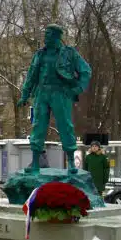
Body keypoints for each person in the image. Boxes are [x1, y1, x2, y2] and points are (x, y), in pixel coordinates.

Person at [18, 24, 92, 173]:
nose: (45, 37)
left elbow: (86, 71)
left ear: (57, 37)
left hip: (61, 93)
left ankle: (71, 162)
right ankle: (35, 163)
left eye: (49, 34)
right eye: (45, 34)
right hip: (42, 93)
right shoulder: (40, 54)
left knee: (65, 126)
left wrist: (77, 89)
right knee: (38, 126)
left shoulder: (69, 53)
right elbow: (31, 75)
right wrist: (25, 95)